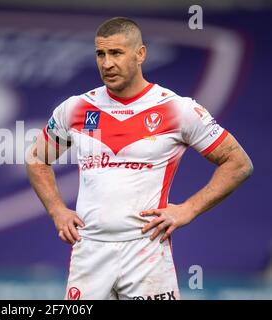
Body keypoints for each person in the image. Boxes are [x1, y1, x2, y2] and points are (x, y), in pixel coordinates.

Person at [25, 17, 253, 300]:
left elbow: (238, 163)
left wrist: (188, 209)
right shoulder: (75, 109)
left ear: (140, 54)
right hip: (91, 250)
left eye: (116, 53)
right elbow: (37, 158)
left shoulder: (176, 109)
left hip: (146, 250)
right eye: (101, 54)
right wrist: (57, 210)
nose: (107, 63)